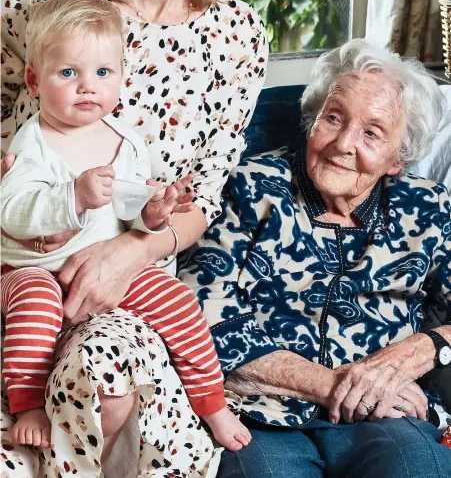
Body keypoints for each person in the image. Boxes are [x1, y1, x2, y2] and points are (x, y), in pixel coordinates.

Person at [0, 0, 267, 476]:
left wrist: (127, 252)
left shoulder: (237, 34)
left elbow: (199, 196)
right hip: (20, 257)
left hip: (135, 272)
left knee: (108, 382)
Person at [179, 39, 451, 478]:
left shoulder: (428, 207)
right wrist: (336, 386)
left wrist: (427, 347)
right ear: (312, 121)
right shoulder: (250, 188)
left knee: (416, 467)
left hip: (386, 415)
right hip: (258, 416)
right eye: (334, 118)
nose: (343, 144)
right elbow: (198, 317)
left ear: (398, 158)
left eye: (371, 133)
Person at [1, 0, 252, 454]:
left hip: (109, 269)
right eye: (68, 73)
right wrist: (71, 195)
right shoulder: (33, 141)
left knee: (175, 298)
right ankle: (27, 401)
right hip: (32, 269)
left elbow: (130, 210)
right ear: (35, 81)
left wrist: (154, 214)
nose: (87, 86)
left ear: (123, 77)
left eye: (102, 73)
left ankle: (211, 399)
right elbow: (12, 211)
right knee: (35, 304)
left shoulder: (127, 142)